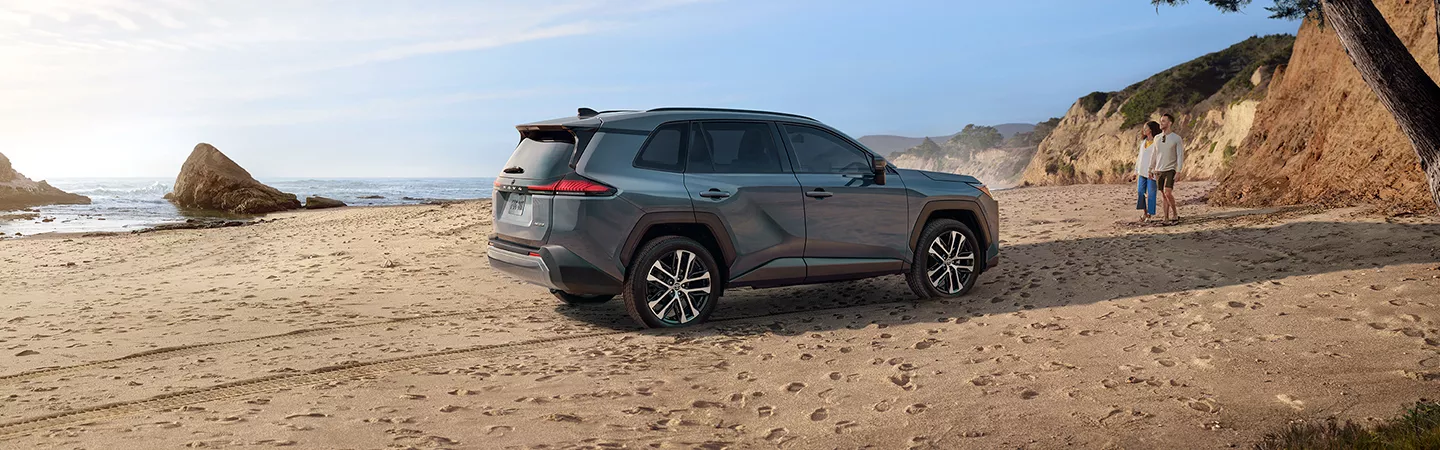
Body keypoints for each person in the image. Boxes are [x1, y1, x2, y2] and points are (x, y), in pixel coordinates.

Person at [1149, 113, 1184, 222]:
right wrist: (1150, 168)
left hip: (1170, 169)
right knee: (1164, 195)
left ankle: (1175, 213)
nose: (1161, 123)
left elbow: (1180, 155)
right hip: (1158, 170)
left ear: (1170, 123)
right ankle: (1166, 217)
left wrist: (1178, 171)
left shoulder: (1176, 138)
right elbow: (1154, 154)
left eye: (1163, 121)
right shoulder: (1157, 138)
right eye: (1160, 121)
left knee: (1168, 192)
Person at [1130, 121, 1161, 222]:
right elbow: (1139, 157)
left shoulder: (1157, 142)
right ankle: (1145, 212)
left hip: (1151, 172)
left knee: (1151, 193)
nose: (1143, 130)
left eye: (1145, 128)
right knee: (1140, 192)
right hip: (1141, 171)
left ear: (1151, 129)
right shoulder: (1143, 142)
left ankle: (1150, 214)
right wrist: (1135, 172)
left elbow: (1159, 158)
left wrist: (1156, 170)